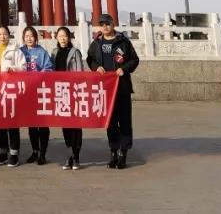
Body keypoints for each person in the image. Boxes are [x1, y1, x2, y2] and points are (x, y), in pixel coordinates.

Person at [86, 13, 140, 169]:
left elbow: (134, 60)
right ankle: (113, 151)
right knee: (110, 122)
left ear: (113, 24)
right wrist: (96, 67)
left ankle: (124, 152)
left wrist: (124, 69)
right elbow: (90, 59)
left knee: (124, 121)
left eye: (107, 23)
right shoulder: (96, 43)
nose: (105, 27)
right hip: (105, 89)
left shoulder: (123, 41)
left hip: (122, 88)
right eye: (102, 24)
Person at [0, 23, 25, 166]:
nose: (2, 36)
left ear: (9, 35)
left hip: (11, 89)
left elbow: (23, 67)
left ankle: (14, 153)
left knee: (12, 122)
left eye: (4, 34)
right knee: (0, 122)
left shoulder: (15, 50)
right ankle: (3, 151)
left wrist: (13, 69)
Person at [19, 25, 53, 165]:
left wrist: (39, 76)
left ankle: (42, 153)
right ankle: (35, 151)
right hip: (27, 92)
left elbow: (48, 68)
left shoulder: (42, 52)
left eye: (31, 36)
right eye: (26, 36)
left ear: (36, 37)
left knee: (43, 123)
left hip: (40, 91)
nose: (29, 39)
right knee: (32, 123)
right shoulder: (20, 51)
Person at [53, 26, 85, 170]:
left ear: (69, 37)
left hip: (73, 93)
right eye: (60, 36)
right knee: (65, 125)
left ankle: (76, 156)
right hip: (60, 93)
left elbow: (79, 73)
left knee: (75, 125)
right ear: (57, 38)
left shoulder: (75, 52)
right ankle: (69, 155)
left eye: (65, 36)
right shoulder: (54, 53)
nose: (62, 38)